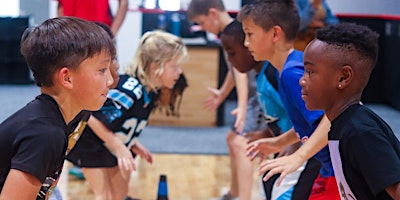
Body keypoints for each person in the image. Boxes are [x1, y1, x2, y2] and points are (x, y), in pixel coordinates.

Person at [278, 22, 400, 199]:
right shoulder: (341, 124)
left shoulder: (360, 132)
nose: (302, 81)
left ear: (343, 77)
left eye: (310, 72)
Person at [0, 16, 115, 199]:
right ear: (67, 78)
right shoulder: (44, 134)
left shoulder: (57, 119)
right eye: (102, 70)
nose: (110, 80)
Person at [66, 30, 188, 200]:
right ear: (156, 67)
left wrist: (132, 141)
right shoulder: (130, 90)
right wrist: (118, 145)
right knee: (105, 195)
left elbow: (119, 120)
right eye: (175, 66)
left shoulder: (151, 92)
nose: (180, 72)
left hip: (107, 142)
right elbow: (92, 115)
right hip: (88, 140)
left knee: (120, 193)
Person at [237, 0, 340, 199]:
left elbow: (332, 118)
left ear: (275, 34)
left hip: (339, 169)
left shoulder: (292, 73)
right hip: (329, 168)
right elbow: (310, 124)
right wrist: (278, 142)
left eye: (249, 34)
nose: (245, 42)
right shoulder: (286, 69)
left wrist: (298, 157)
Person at [221, 19, 320, 200]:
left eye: (232, 53)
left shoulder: (279, 74)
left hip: (306, 155)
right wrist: (266, 133)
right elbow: (284, 114)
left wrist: (291, 145)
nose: (229, 60)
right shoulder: (263, 75)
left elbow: (313, 119)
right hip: (288, 148)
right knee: (267, 185)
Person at [187, 1, 268, 199]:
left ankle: (244, 196)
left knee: (242, 143)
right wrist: (222, 94)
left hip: (258, 96)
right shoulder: (230, 32)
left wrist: (240, 106)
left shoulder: (232, 33)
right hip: (252, 97)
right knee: (233, 140)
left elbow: (240, 71)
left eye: (201, 22)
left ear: (213, 13)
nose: (202, 28)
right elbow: (234, 69)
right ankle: (233, 193)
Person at [57, 0, 128, 36]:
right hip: (72, 35)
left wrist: (112, 33)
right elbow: (61, 6)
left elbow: (123, 3)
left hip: (100, 33)